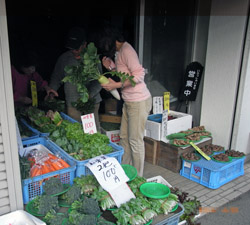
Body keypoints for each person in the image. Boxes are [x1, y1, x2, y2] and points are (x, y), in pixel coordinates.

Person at [99, 27, 152, 176]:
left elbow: (139, 74)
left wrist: (116, 85)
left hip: (139, 101)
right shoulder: (120, 52)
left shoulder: (127, 50)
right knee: (124, 138)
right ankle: (125, 172)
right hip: (129, 101)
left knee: (135, 141)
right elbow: (125, 74)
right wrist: (112, 67)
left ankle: (137, 177)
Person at [49, 27, 102, 131]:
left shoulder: (93, 58)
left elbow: (99, 81)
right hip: (72, 102)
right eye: (71, 48)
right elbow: (56, 77)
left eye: (77, 48)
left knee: (92, 133)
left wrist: (89, 96)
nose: (74, 51)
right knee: (74, 132)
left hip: (92, 102)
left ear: (85, 44)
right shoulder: (64, 58)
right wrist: (52, 90)